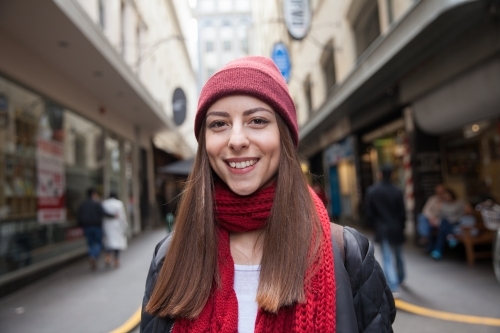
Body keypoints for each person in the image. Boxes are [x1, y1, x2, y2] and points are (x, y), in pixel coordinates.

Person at [140, 56, 395, 333]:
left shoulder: (348, 253)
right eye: (219, 124)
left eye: (257, 120)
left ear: (283, 135)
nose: (236, 140)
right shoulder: (169, 257)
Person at [365, 165, 406, 296]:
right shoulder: (397, 191)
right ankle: (400, 278)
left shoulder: (372, 191)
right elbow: (402, 212)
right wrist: (402, 226)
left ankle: (393, 286)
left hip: (382, 228)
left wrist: (373, 226)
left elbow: (369, 212)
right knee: (398, 255)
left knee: (387, 257)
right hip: (397, 227)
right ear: (392, 174)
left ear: (380, 174)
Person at [77, 188, 114, 270]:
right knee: (98, 243)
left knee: (90, 244)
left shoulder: (83, 205)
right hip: (96, 227)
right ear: (94, 194)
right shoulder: (97, 204)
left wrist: (81, 226)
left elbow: (79, 217)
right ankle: (93, 255)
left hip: (86, 227)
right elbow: (104, 213)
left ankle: (92, 257)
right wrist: (113, 215)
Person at [430, 188, 466, 260]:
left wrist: (451, 219)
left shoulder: (459, 203)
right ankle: (450, 237)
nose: (446, 197)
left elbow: (461, 215)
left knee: (442, 230)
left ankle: (438, 251)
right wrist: (438, 206)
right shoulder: (444, 204)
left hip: (456, 222)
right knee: (443, 223)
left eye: (447, 195)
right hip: (446, 223)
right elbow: (441, 215)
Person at [102, 192, 128, 268]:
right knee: (117, 243)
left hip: (107, 226)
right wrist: (124, 225)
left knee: (109, 242)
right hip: (117, 226)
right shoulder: (119, 204)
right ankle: (116, 260)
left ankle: (108, 256)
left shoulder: (104, 203)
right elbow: (122, 216)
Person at [416, 184, 446, 248]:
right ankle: (425, 237)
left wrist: (435, 219)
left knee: (435, 226)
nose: (439, 193)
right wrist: (431, 218)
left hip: (441, 220)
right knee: (421, 217)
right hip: (430, 219)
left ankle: (427, 240)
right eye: (438, 192)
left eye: (441, 192)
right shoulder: (432, 199)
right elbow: (426, 210)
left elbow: (446, 213)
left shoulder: (447, 200)